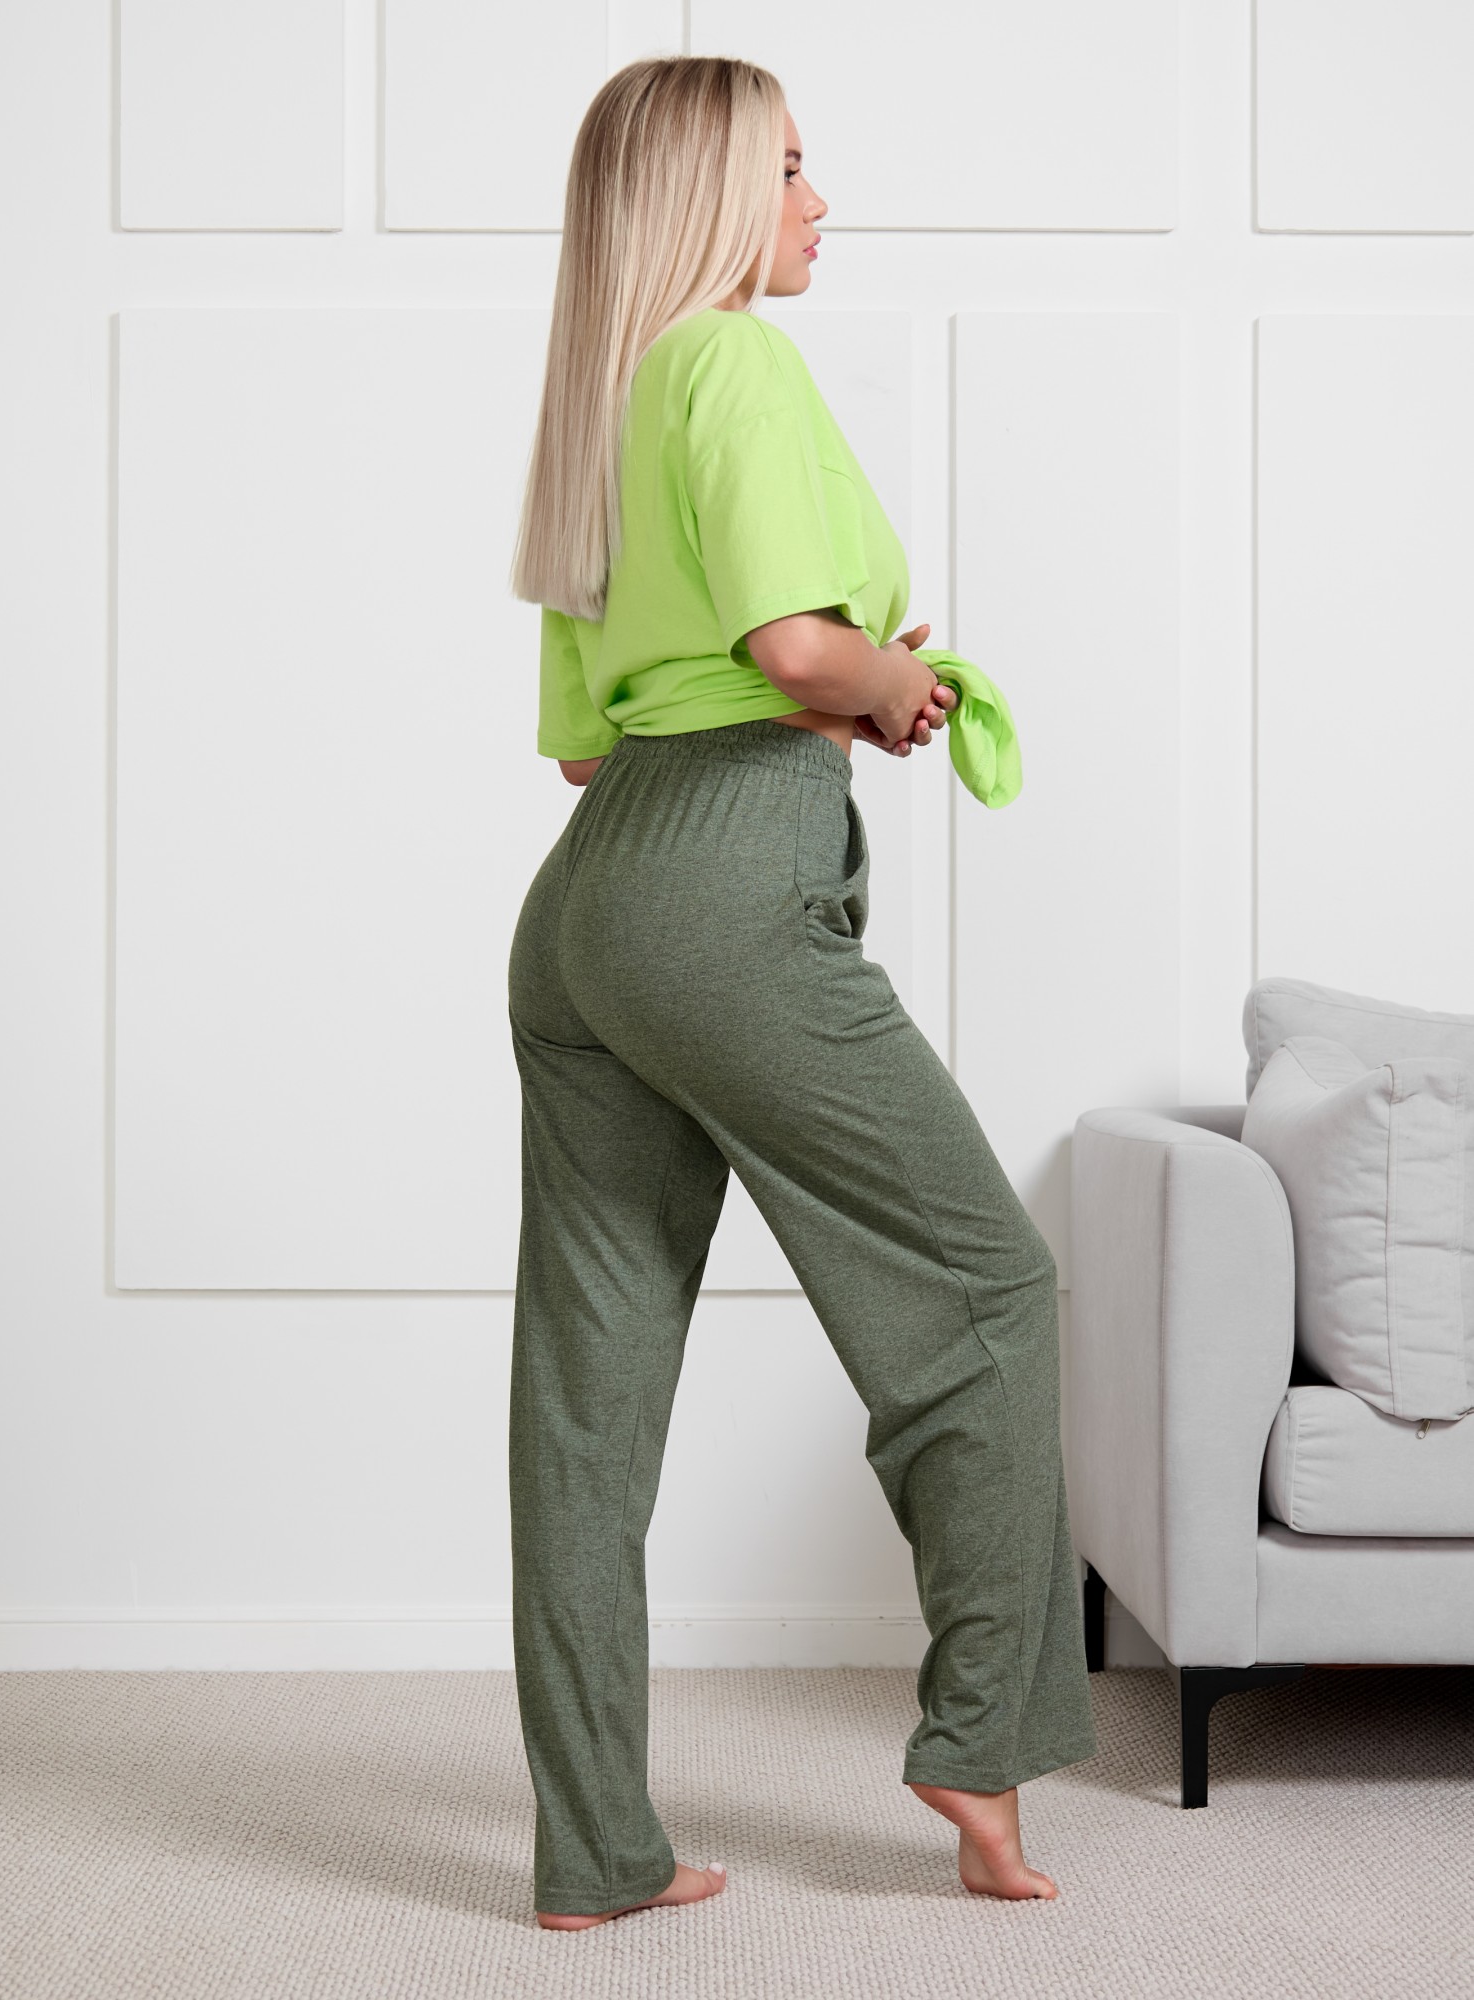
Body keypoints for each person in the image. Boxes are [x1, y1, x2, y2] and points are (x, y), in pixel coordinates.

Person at [505, 54, 1098, 1931]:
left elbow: (589, 749)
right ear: (709, 198)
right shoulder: (734, 363)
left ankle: (592, 1858)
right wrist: (887, 684)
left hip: (588, 911)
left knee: (587, 1402)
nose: (818, 200)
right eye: (786, 168)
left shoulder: (599, 403)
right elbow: (787, 646)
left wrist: (841, 686)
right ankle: (981, 1740)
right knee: (989, 1289)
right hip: (726, 884)